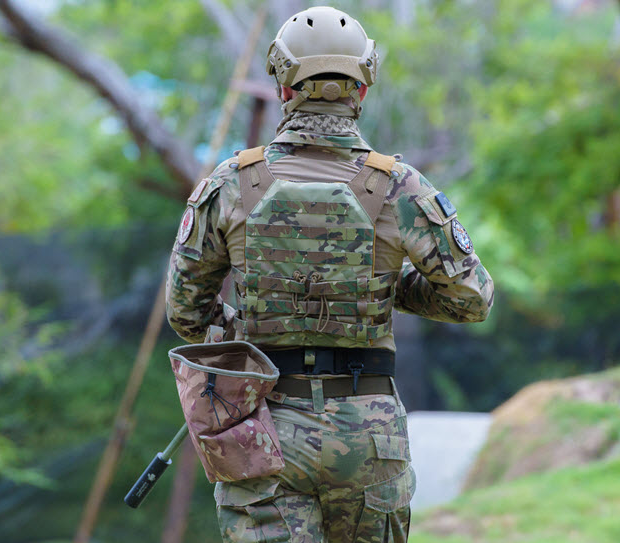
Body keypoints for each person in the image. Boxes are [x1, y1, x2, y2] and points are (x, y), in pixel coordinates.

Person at [166, 6, 494, 543]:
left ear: (283, 87)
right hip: (369, 438)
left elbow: (185, 312)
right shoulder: (400, 187)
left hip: (265, 430)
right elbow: (472, 299)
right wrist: (385, 289)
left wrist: (246, 322)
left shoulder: (230, 183)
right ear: (361, 89)